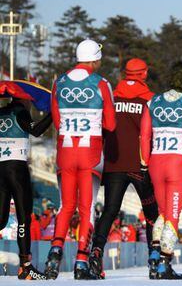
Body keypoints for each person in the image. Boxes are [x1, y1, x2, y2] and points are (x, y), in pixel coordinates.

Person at [44, 39, 116, 280]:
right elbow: (111, 124)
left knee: (66, 207)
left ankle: (54, 253)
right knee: (86, 209)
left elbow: (56, 121)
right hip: (90, 153)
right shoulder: (102, 83)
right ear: (95, 58)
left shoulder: (59, 83)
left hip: (65, 150)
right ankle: (81, 262)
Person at [89, 58, 158, 279]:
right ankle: (155, 259)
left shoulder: (111, 95)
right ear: (143, 74)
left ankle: (96, 252)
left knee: (109, 211)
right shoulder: (150, 100)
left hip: (114, 163)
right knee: (151, 215)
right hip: (141, 165)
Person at [140, 61, 182, 279]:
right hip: (176, 166)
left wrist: (144, 166)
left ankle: (154, 257)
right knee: (173, 216)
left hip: (155, 162)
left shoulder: (152, 102)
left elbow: (144, 136)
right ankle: (165, 264)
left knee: (163, 213)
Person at [0, 85, 52, 280]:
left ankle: (26, 266)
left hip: (0, 170)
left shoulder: (1, 112)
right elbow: (37, 130)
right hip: (16, 169)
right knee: (23, 218)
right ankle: (26, 267)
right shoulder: (20, 112)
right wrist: (53, 114)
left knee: (1, 220)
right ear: (24, 99)